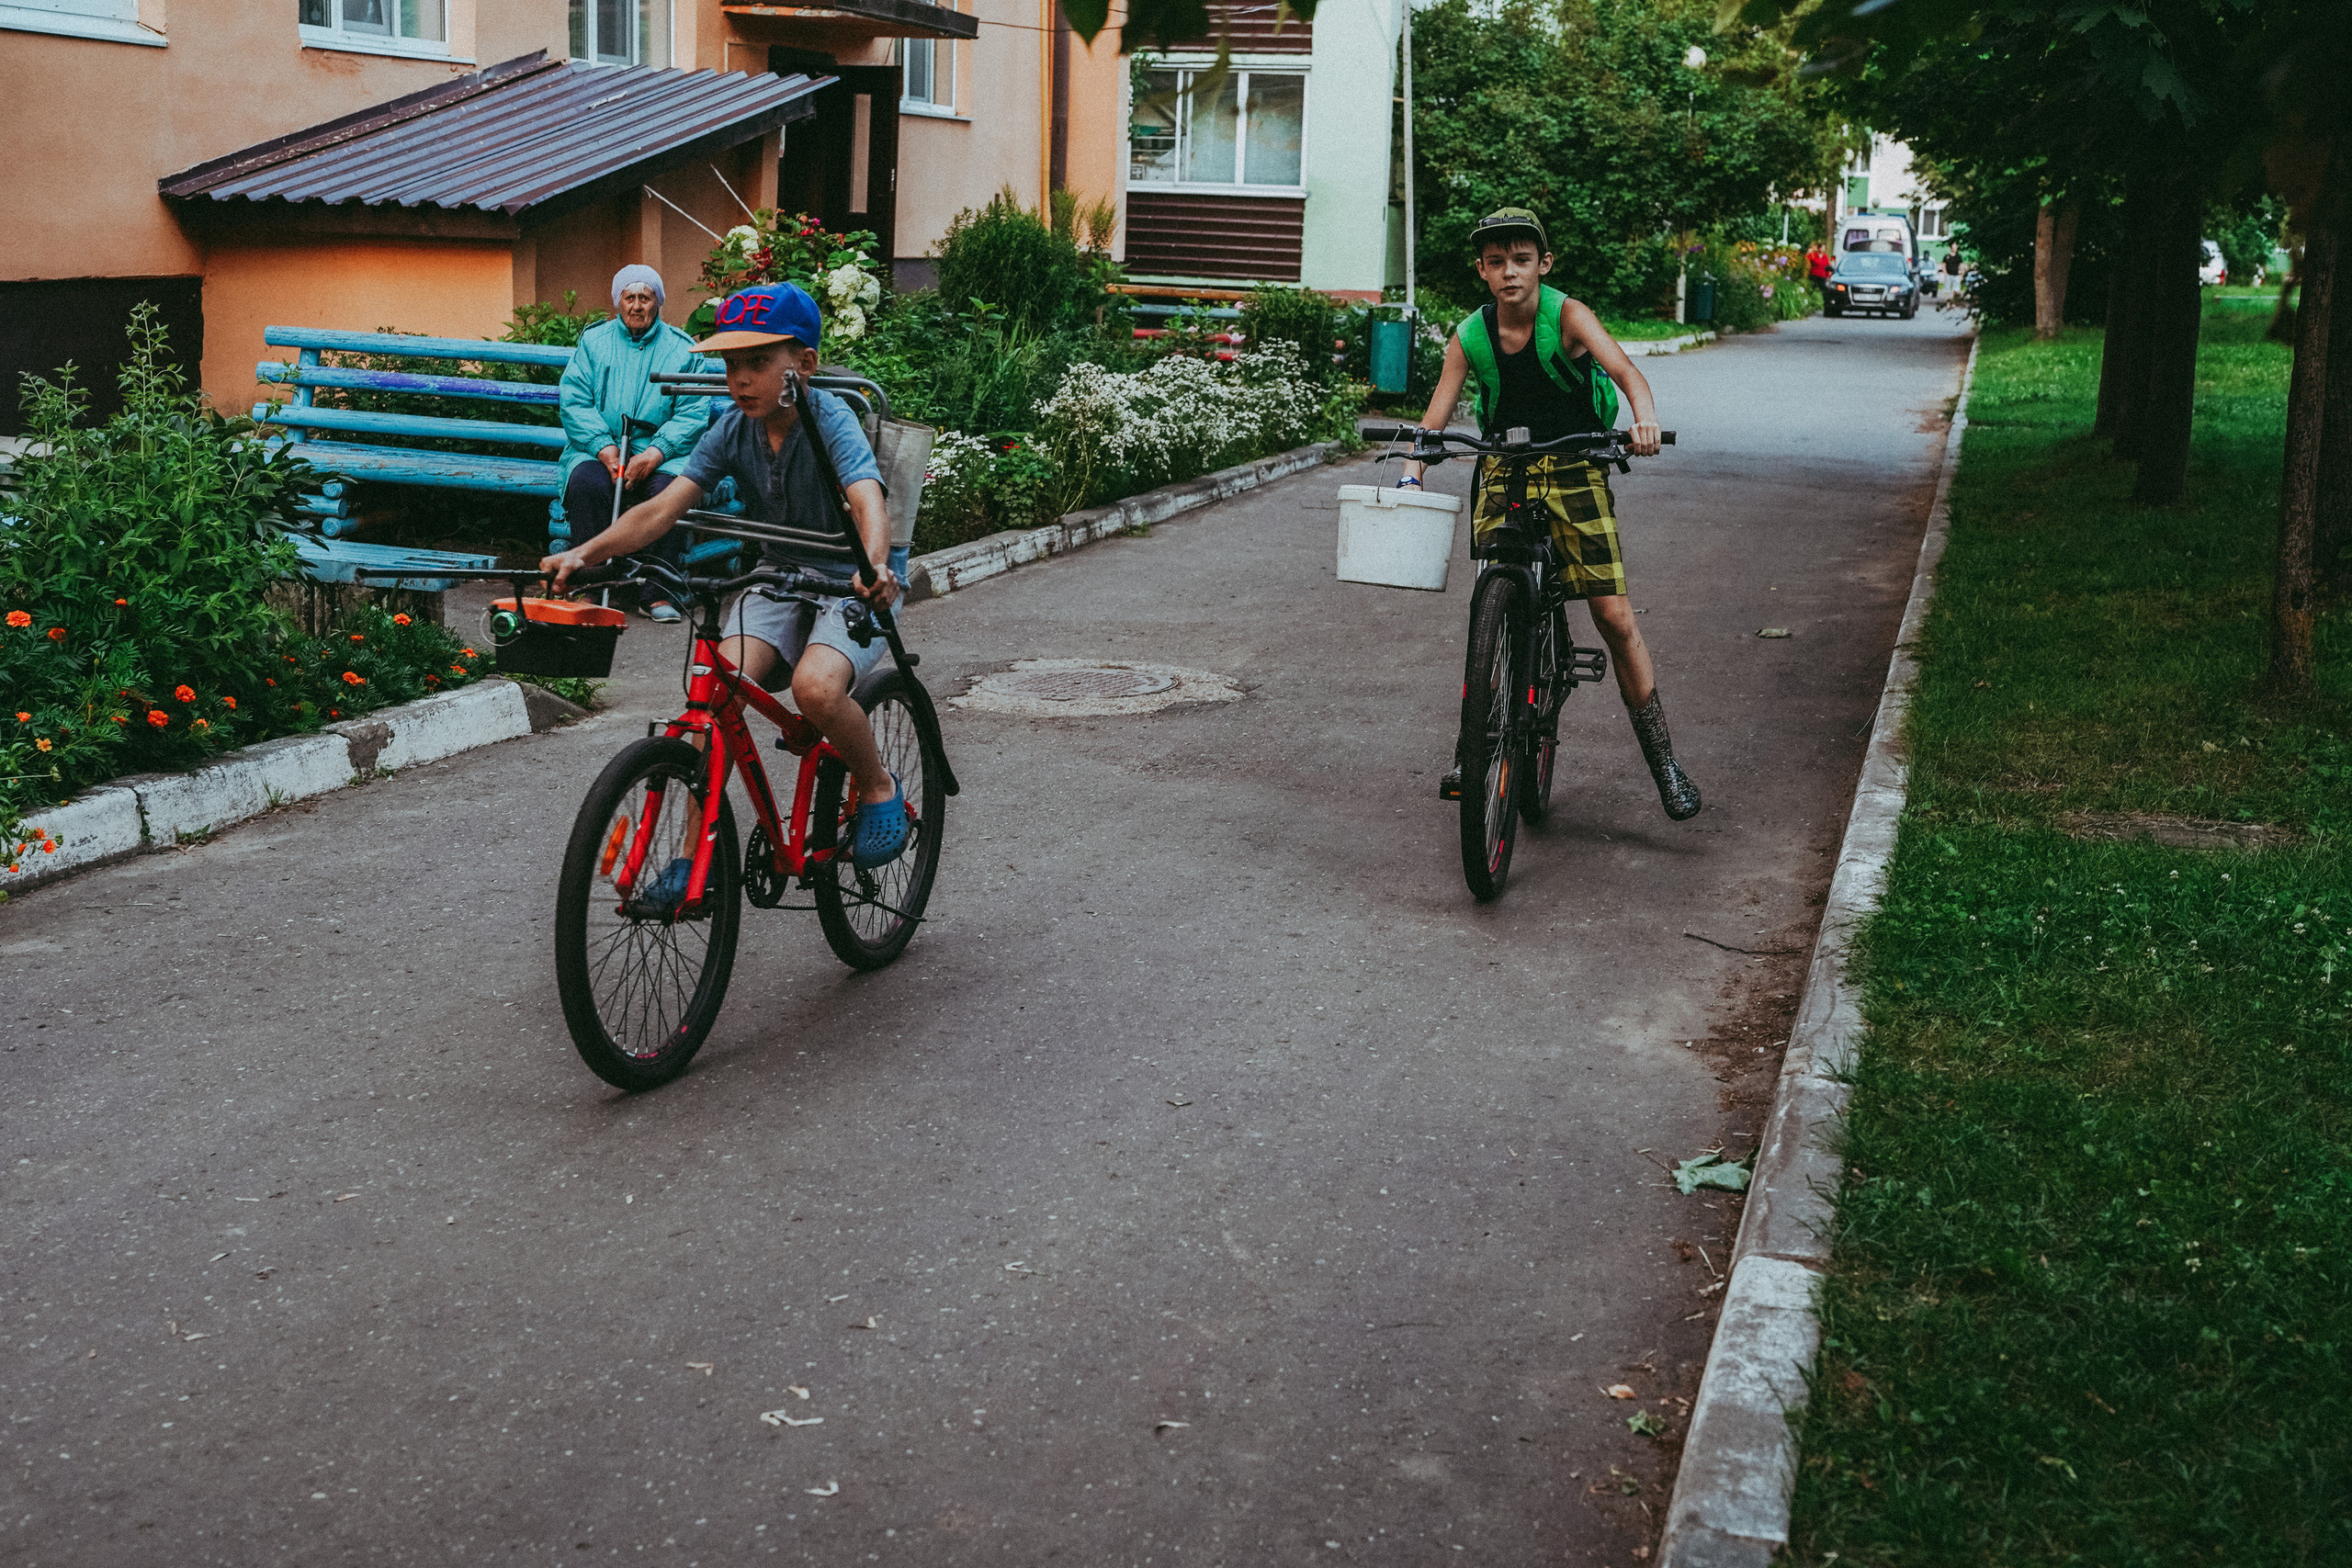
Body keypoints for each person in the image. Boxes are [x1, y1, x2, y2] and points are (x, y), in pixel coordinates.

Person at [542, 284, 913, 869]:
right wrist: (583, 555)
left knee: (816, 689)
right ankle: (693, 861)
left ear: (804, 365)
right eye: (731, 364)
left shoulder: (830, 419)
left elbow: (867, 499)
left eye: (759, 363)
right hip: (777, 577)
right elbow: (661, 510)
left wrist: (874, 567)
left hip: (849, 581)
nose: (740, 380)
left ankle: (876, 786)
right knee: (713, 701)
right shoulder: (733, 429)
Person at [1403, 206, 1700, 821]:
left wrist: (1642, 419)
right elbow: (1437, 414)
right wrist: (1413, 471)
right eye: (1496, 262)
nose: (1509, 271)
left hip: (1572, 463)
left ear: (1543, 263)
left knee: (1613, 615)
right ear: (1481, 270)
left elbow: (1625, 372)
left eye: (1521, 259)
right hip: (1503, 466)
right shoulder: (1470, 335)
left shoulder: (1568, 314)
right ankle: (1474, 744)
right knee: (1490, 597)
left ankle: (1666, 767)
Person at [557, 265, 716, 624]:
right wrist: (603, 447)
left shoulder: (683, 350)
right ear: (618, 302)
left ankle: (657, 593)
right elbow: (574, 400)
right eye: (630, 297)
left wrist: (655, 453)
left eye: (646, 298)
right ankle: (592, 587)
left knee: (668, 490)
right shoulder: (594, 342)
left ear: (658, 302)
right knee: (586, 484)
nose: (637, 306)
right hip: (599, 446)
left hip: (663, 453)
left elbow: (693, 412)